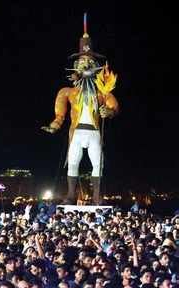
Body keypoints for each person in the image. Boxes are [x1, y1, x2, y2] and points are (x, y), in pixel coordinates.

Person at [42, 14, 119, 205]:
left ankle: (95, 197)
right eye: (82, 62)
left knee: (97, 163)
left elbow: (114, 105)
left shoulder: (101, 92)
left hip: (93, 132)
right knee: (73, 162)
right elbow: (60, 112)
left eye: (90, 63)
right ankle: (70, 195)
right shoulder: (67, 91)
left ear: (95, 67)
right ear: (76, 66)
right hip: (76, 132)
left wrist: (109, 112)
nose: (86, 65)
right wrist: (55, 123)